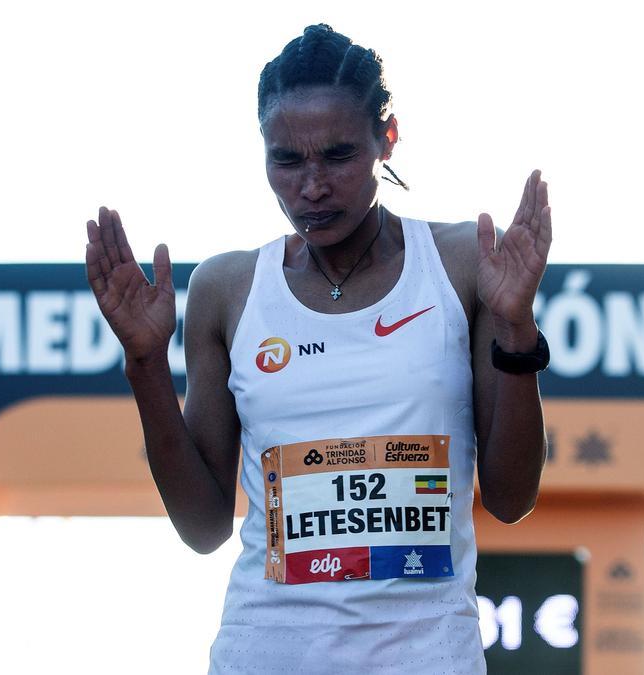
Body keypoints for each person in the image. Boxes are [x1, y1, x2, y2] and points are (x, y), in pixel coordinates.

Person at [83, 23, 551, 674]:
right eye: (287, 159)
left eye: (337, 155)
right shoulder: (226, 288)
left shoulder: (463, 263)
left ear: (386, 138)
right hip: (263, 654)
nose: (311, 185)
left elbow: (511, 496)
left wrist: (517, 329)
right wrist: (144, 365)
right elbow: (202, 526)